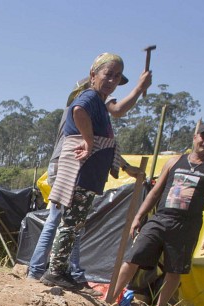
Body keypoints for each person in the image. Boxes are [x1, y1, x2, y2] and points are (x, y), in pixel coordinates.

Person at [28, 61, 150, 283]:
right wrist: (88, 140)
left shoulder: (100, 107)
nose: (112, 83)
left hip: (84, 170)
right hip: (75, 169)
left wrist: (123, 166)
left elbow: (112, 126)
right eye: (108, 75)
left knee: (73, 223)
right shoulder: (88, 99)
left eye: (117, 78)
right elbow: (82, 116)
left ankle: (66, 271)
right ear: (92, 76)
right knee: (62, 221)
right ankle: (45, 271)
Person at [109, 123, 204, 306]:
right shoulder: (174, 162)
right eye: (203, 136)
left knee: (175, 269)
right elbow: (155, 192)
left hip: (187, 225)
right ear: (195, 137)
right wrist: (139, 216)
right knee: (134, 256)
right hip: (161, 218)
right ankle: (111, 301)